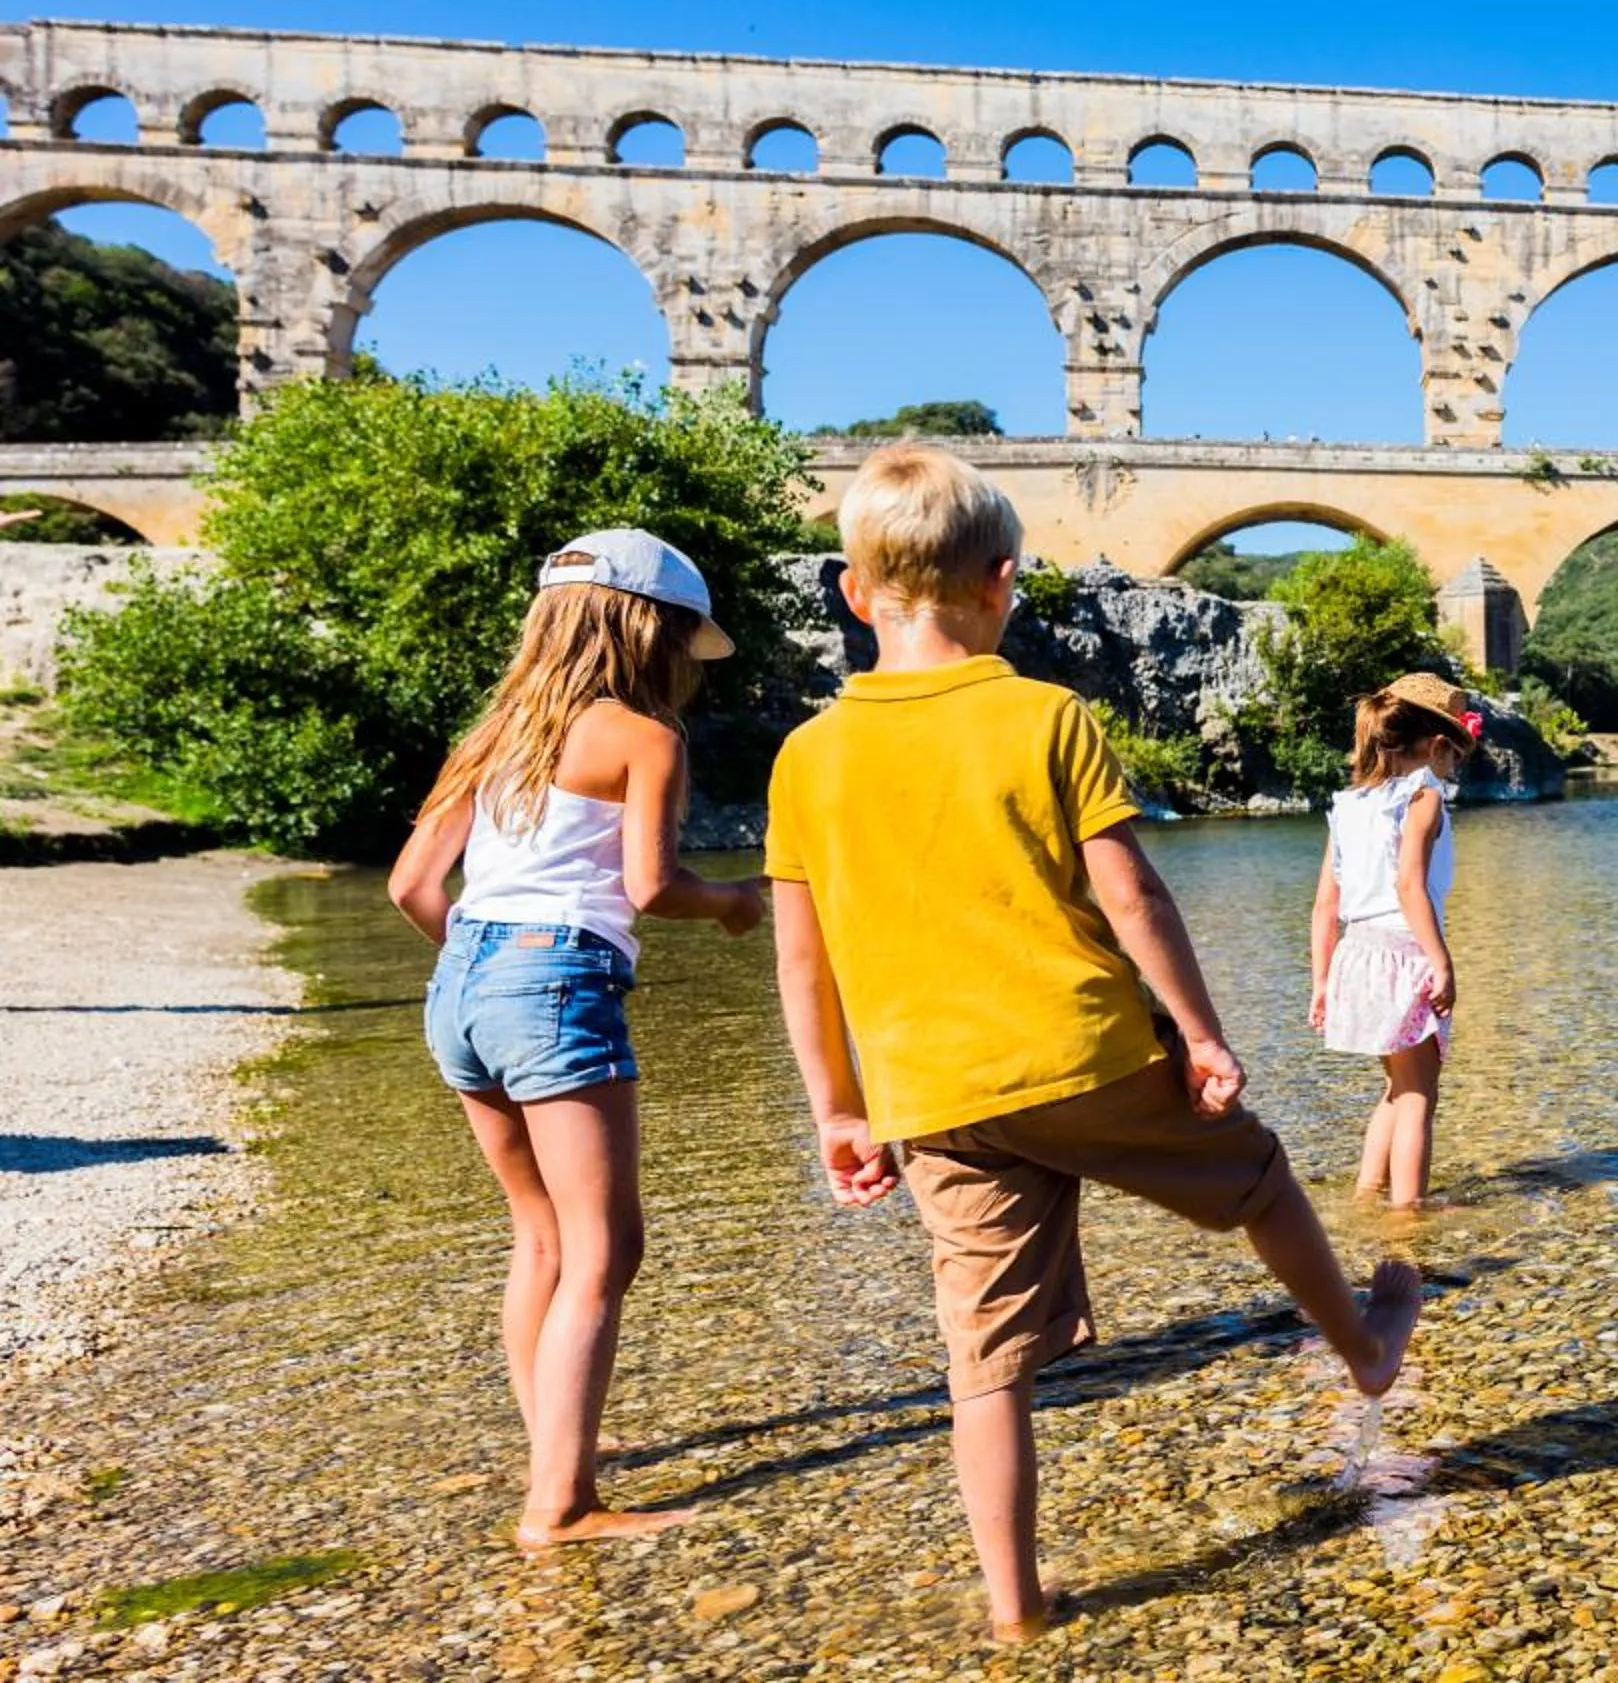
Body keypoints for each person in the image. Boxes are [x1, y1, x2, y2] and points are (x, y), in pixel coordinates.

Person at [763, 443, 1419, 1643]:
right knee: (1261, 1177)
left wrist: (836, 1107)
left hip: (931, 1093)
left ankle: (1015, 1604)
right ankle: (1367, 1347)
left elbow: (800, 956)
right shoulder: (1044, 714)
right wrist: (1203, 1033)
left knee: (984, 1358)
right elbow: (1133, 898)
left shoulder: (807, 756)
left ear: (854, 593)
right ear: (1003, 581)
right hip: (1083, 1053)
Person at [387, 529, 767, 1549]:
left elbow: (412, 886)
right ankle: (561, 1505)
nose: (686, 662)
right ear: (648, 630)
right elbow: (653, 886)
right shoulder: (644, 737)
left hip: (461, 983)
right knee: (606, 1245)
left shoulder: (491, 734)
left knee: (541, 1235)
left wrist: (486, 966)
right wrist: (735, 900)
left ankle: (555, 1449)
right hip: (555, 979)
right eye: (683, 640)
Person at [1310, 674, 1479, 1209]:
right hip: (1404, 955)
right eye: (1454, 756)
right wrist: (1442, 963)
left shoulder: (1350, 804)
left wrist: (1321, 982)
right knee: (1419, 1097)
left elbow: (1325, 905)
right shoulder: (1422, 797)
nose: (1454, 768)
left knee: (1397, 1088)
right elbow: (1409, 885)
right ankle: (1409, 1215)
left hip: (1357, 955)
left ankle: (1368, 1193)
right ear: (1436, 746)